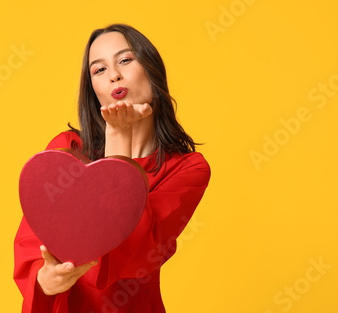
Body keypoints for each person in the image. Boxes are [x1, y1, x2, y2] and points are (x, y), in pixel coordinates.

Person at [14, 23, 211, 312]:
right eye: (99, 70)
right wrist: (45, 281)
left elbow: (133, 255)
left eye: (125, 60)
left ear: (152, 70)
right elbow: (32, 245)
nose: (114, 75)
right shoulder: (68, 150)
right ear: (93, 90)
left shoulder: (188, 169)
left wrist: (119, 135)